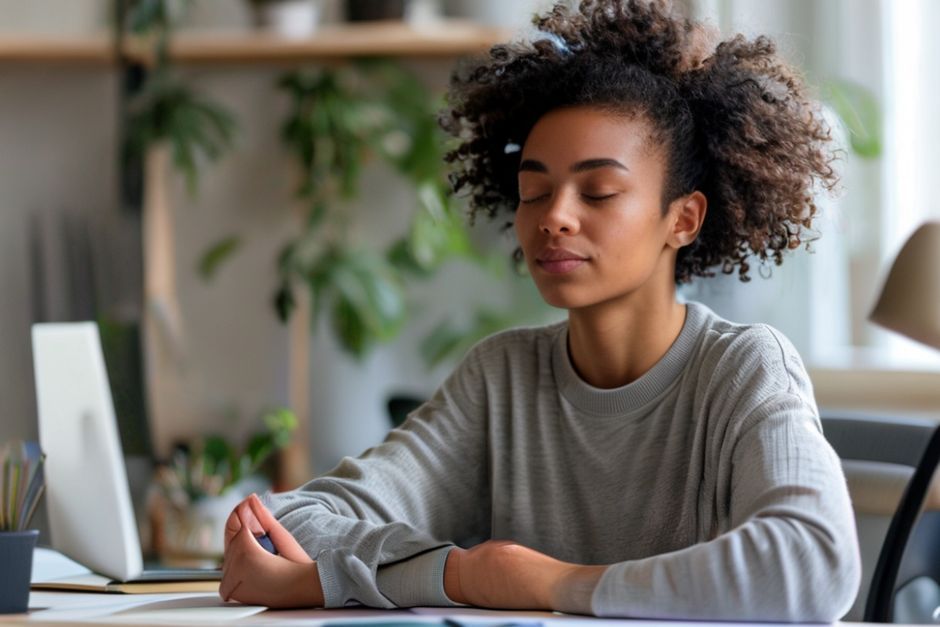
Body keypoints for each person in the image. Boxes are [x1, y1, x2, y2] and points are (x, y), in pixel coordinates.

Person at [218, 0, 861, 620]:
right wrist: (464, 575)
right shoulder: (504, 377)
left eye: (599, 191)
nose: (554, 217)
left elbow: (813, 563)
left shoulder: (745, 369)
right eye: (534, 190)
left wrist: (549, 583)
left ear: (683, 219)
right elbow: (287, 524)